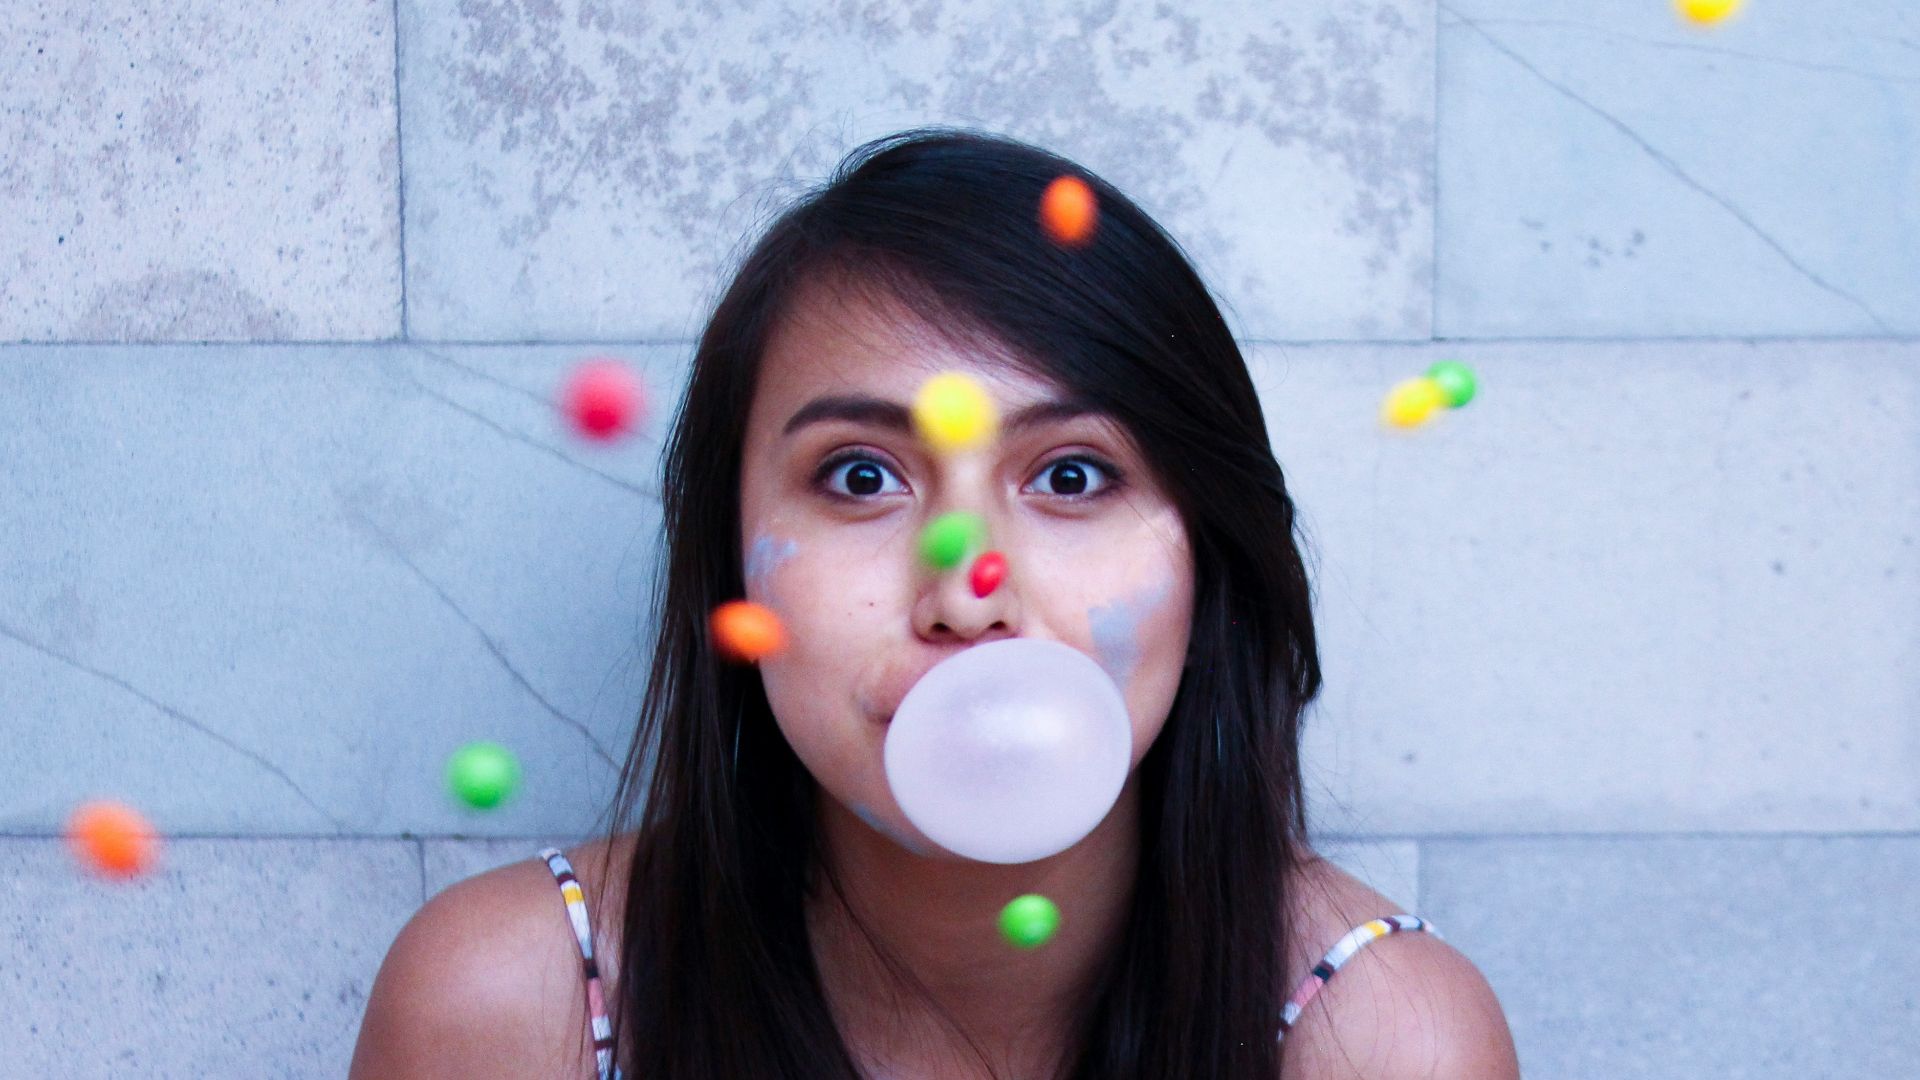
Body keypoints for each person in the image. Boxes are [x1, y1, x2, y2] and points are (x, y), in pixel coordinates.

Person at [349, 129, 1520, 1079]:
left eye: (1071, 475)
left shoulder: (1383, 1042)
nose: (967, 593)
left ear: (1209, 555)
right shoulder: (507, 1010)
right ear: (735, 573)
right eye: (862, 477)